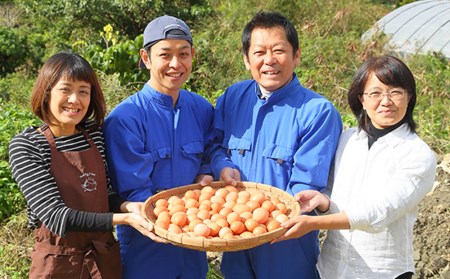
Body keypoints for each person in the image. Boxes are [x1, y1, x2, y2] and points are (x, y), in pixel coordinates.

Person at [273, 55, 437, 279]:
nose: (386, 101)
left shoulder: (417, 154)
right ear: (361, 99)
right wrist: (323, 202)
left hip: (383, 272)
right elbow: (337, 195)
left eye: (396, 92)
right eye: (375, 93)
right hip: (330, 268)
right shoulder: (348, 139)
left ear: (409, 97)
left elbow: (380, 212)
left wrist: (315, 223)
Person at [211, 11, 343, 279]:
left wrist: (261, 221)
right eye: (259, 52)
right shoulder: (232, 97)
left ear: (296, 56)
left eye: (279, 50)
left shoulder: (317, 112)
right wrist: (222, 165)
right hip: (234, 239)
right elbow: (213, 145)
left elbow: (305, 186)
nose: (269, 60)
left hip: (286, 242)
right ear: (247, 60)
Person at [8, 51, 153, 278]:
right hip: (58, 264)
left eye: (83, 91)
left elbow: (105, 192)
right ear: (46, 92)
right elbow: (56, 216)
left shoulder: (94, 136)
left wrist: (127, 206)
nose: (75, 99)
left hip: (103, 262)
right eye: (65, 89)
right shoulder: (28, 145)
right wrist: (123, 219)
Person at [103, 15, 214, 279]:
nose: (175, 64)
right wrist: (181, 218)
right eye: (165, 55)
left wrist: (208, 173)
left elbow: (211, 154)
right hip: (147, 246)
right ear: (146, 57)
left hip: (194, 248)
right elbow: (135, 190)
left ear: (192, 56)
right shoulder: (126, 118)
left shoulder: (201, 109)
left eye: (183, 54)